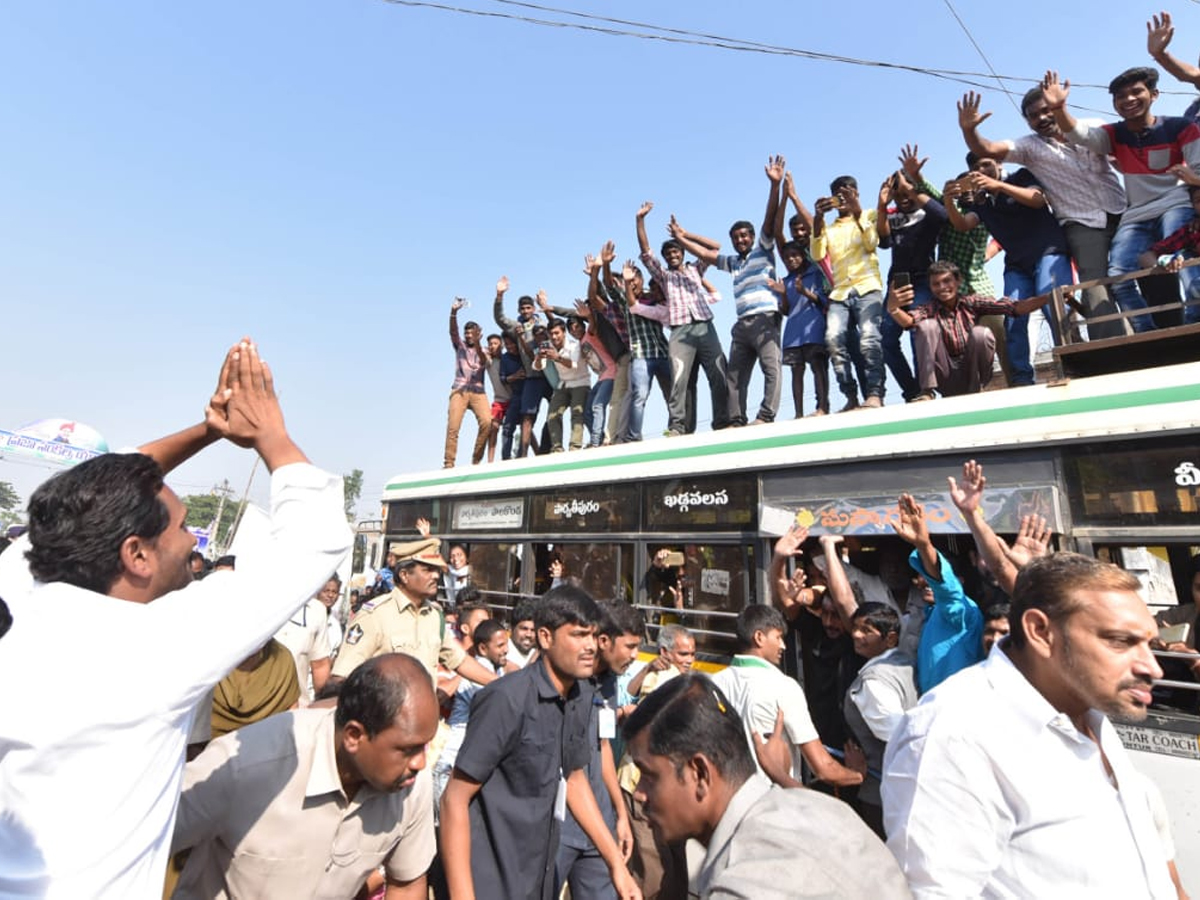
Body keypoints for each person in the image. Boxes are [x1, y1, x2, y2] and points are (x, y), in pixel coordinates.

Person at [0, 339, 353, 897]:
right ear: (136, 554)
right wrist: (270, 436)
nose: (193, 539)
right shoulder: (152, 648)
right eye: (182, 526)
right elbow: (317, 536)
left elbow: (79, 495)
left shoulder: (20, 592)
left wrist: (209, 429)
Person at [883, 553, 1176, 898]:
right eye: (1120, 641)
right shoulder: (952, 734)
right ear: (1040, 632)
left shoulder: (1089, 712)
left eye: (1149, 644)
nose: (1153, 668)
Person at [171, 654, 437, 899]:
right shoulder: (245, 767)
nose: (421, 762)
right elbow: (141, 840)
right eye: (407, 749)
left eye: (424, 747)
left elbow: (406, 884)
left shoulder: (410, 786)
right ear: (354, 736)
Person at [624, 674, 911, 899]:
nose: (639, 793)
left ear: (700, 773)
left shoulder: (743, 882)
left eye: (649, 775)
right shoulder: (823, 808)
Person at [439, 587, 639, 900]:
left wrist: (616, 863)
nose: (589, 646)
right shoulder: (506, 699)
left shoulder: (580, 696)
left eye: (593, 636)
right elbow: (454, 799)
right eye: (578, 635)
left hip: (537, 875)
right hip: (488, 880)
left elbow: (575, 778)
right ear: (545, 638)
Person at [957, 88, 1128, 339]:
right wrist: (969, 131)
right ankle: (1112, 349)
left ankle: (1164, 331)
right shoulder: (1030, 148)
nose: (1042, 118)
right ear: (1027, 121)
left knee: (1142, 270)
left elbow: (1124, 161)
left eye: (1047, 110)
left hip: (1121, 210)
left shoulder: (1092, 128)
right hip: (1079, 221)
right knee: (1094, 284)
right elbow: (988, 148)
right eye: (1034, 116)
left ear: (1060, 104)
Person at [1044, 67, 1200, 333]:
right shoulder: (1115, 134)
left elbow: (1197, 169)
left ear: (1154, 94)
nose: (1128, 99)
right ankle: (1147, 332)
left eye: (1136, 92)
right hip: (1136, 213)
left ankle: (1193, 326)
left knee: (1185, 262)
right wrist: (1059, 108)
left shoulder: (1180, 127)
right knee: (1118, 274)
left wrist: (1193, 182)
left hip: (1175, 204)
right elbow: (1080, 134)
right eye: (1120, 96)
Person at [672, 157, 786, 426]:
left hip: (765, 319)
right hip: (742, 324)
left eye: (744, 236)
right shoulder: (733, 262)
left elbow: (769, 219)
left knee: (771, 368)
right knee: (734, 376)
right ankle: (736, 420)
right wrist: (681, 238)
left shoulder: (763, 250)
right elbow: (705, 254)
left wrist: (775, 186)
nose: (740, 240)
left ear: (752, 236)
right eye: (736, 238)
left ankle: (765, 415)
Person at [945, 153, 1072, 385]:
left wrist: (999, 186)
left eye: (986, 164)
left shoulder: (1021, 177)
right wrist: (947, 201)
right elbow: (962, 224)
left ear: (999, 164)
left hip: (1047, 253)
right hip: (1017, 265)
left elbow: (1037, 199)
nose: (982, 169)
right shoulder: (981, 203)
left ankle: (1072, 364)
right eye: (976, 167)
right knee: (1012, 315)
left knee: (1054, 306)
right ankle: (1022, 379)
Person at [712, 605, 865, 789]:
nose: (783, 645)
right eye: (778, 637)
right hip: (773, 802)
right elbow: (823, 768)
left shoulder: (714, 683)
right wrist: (858, 774)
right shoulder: (783, 686)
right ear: (759, 637)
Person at [556, 601, 645, 900]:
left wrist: (620, 813)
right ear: (604, 641)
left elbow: (603, 745)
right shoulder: (562, 677)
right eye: (630, 646)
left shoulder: (609, 681)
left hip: (599, 822)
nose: (635, 656)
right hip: (557, 823)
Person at [328, 537, 498, 688]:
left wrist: (502, 684)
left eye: (436, 570)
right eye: (427, 570)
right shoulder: (375, 615)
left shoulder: (433, 617)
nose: (435, 576)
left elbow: (460, 661)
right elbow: (342, 677)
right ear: (404, 575)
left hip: (424, 719)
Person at [634, 201, 732, 436]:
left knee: (719, 374)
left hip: (704, 326)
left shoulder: (695, 269)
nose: (672, 255)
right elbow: (646, 254)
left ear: (683, 253)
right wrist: (640, 220)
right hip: (680, 331)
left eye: (676, 251)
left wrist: (684, 234)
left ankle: (722, 421)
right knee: (680, 380)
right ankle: (678, 426)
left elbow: (715, 248)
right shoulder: (664, 276)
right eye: (668, 253)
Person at [887, 260, 1049, 399]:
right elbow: (909, 321)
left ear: (958, 281)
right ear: (930, 287)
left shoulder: (971, 302)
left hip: (973, 374)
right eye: (936, 284)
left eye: (947, 281)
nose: (942, 287)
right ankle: (927, 391)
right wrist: (893, 308)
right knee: (926, 326)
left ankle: (978, 388)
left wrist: (1048, 297)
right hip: (945, 375)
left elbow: (1014, 307)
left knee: (981, 334)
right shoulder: (929, 309)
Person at [842, 602, 917, 836]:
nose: (856, 635)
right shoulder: (904, 662)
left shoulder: (874, 682)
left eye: (867, 631)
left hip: (881, 792)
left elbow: (897, 735)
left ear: (890, 638)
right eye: (855, 628)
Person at [811, 175, 886, 409]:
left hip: (867, 286)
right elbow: (816, 255)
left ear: (857, 193)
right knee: (833, 340)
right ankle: (850, 396)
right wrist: (817, 219)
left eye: (848, 192)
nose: (843, 198)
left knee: (869, 339)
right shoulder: (828, 228)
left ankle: (875, 394)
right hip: (840, 292)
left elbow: (873, 243)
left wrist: (857, 212)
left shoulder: (870, 215)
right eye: (838, 194)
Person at [876, 166, 949, 401]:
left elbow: (943, 216)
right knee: (886, 338)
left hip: (923, 281)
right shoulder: (892, 215)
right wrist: (882, 205)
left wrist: (913, 191)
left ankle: (927, 388)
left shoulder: (927, 212)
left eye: (907, 193)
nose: (904, 199)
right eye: (899, 195)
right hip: (897, 283)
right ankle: (912, 391)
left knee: (918, 331)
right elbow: (884, 242)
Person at [432, 618, 509, 805]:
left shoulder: (494, 670)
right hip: (452, 763)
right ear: (483, 649)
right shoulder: (479, 674)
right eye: (500, 645)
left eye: (506, 643)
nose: (506, 650)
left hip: (465, 763)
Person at [1140, 182, 1200, 324]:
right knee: (1184, 255)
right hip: (1196, 314)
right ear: (1193, 206)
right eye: (1199, 201)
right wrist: (1165, 261)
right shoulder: (1190, 231)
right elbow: (1146, 256)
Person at [443, 299, 492, 468]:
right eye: (467, 334)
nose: (469, 336)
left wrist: (478, 343)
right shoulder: (460, 347)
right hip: (460, 390)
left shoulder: (484, 350)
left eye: (472, 333)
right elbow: (453, 332)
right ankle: (449, 463)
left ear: (479, 333)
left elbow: (485, 360)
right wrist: (453, 312)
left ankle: (476, 460)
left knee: (487, 422)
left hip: (478, 391)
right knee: (453, 427)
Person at [274, 576, 333, 705]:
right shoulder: (252, 601)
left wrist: (320, 707)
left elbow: (320, 665)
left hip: (295, 712)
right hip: (247, 714)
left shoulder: (316, 610)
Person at [534, 317, 591, 452]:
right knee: (552, 416)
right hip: (563, 385)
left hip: (581, 382)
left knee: (577, 414)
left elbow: (574, 365)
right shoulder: (548, 347)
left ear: (564, 332)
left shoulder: (575, 345)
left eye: (557, 333)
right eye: (551, 334)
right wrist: (539, 357)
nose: (554, 337)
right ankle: (557, 448)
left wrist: (557, 357)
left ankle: (575, 446)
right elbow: (537, 367)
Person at [506, 598, 539, 668]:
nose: (528, 635)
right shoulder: (503, 653)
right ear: (511, 628)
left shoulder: (538, 655)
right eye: (524, 629)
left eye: (533, 630)